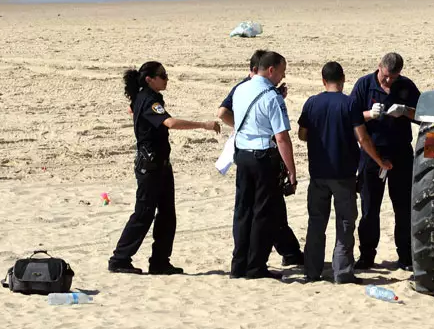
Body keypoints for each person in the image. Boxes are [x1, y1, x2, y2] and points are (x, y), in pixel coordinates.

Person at [109, 62, 221, 275]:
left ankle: (160, 261)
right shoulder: (149, 99)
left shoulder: (145, 97)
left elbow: (132, 109)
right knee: (143, 214)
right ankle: (120, 259)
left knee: (167, 214)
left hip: (160, 164)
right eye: (162, 76)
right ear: (149, 79)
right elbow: (169, 123)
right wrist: (203, 125)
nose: (166, 79)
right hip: (150, 166)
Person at [298, 62, 392, 284]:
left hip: (318, 174)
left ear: (323, 80)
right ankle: (342, 272)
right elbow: (362, 138)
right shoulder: (349, 104)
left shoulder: (312, 103)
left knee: (316, 223)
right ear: (343, 80)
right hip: (344, 174)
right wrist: (379, 160)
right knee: (345, 223)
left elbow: (302, 134)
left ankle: (312, 271)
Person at [218, 50, 303, 266]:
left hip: (243, 154)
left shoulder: (240, 89)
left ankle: (239, 263)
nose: (282, 77)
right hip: (263, 156)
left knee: (243, 210)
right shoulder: (271, 97)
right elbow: (282, 138)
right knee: (262, 213)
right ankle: (256, 265)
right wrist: (291, 170)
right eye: (282, 72)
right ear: (271, 70)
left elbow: (230, 115)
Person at [349, 52, 420, 271]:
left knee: (403, 207)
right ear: (379, 67)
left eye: (393, 77)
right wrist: (369, 114)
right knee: (370, 207)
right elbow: (350, 116)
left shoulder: (406, 86)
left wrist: (405, 111)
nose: (388, 81)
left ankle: (406, 256)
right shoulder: (364, 85)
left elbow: (423, 115)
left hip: (400, 153)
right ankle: (367, 255)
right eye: (386, 76)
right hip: (372, 153)